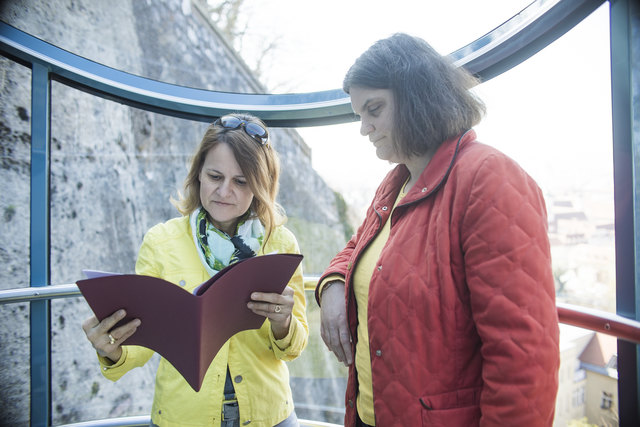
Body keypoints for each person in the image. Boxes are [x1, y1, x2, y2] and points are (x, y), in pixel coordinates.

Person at [316, 33, 560, 426]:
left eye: (373, 109)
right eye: (360, 114)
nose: (364, 127)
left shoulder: (489, 179)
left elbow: (522, 358)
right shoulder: (396, 182)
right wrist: (332, 286)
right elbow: (356, 249)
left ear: (417, 96)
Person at [82, 113, 308, 427]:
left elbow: (294, 347)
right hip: (183, 417)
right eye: (215, 176)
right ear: (198, 174)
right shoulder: (161, 242)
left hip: (270, 413)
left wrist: (283, 323)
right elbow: (140, 344)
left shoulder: (281, 242)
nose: (224, 191)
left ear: (260, 186)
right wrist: (111, 350)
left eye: (241, 182)